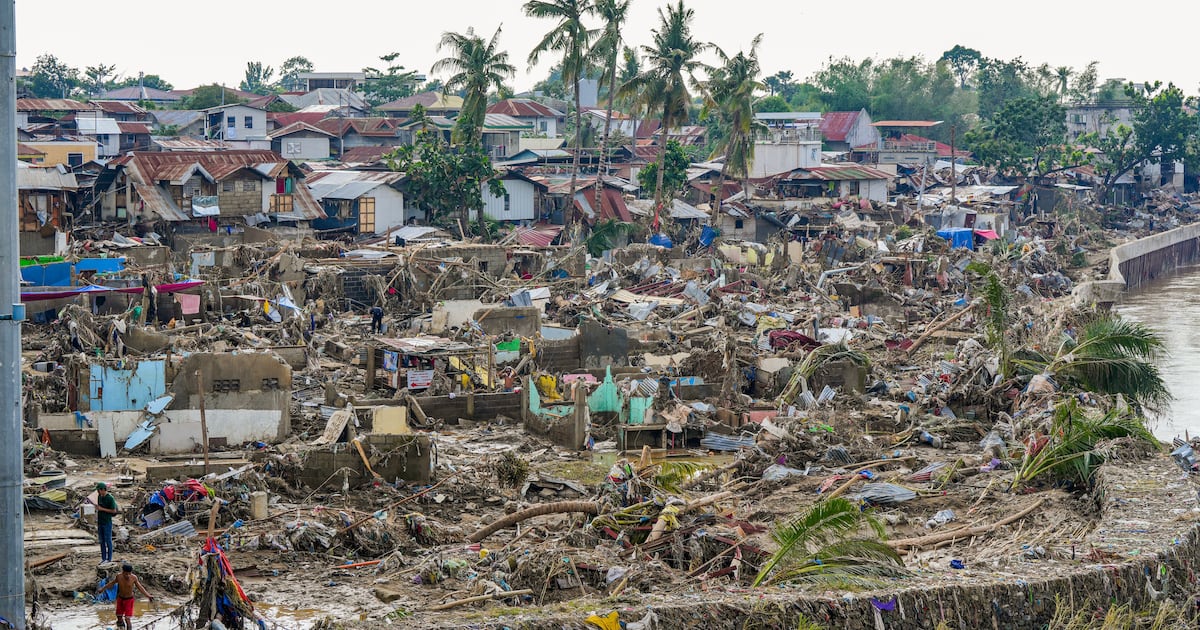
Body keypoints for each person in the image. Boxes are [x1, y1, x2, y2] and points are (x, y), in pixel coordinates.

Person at [97, 563, 153, 630]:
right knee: (119, 616)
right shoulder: (119, 577)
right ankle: (121, 626)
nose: (128, 575)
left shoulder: (134, 578)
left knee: (127, 618)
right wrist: (102, 589)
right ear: (123, 572)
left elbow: (140, 587)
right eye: (126, 574)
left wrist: (148, 595)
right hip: (120, 599)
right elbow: (111, 583)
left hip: (129, 600)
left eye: (129, 574)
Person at [88, 482, 119, 564]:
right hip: (100, 521)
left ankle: (109, 558)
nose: (98, 492)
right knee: (101, 541)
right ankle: (103, 558)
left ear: (103, 490)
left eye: (99, 490)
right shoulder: (99, 497)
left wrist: (102, 509)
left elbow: (113, 510)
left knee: (108, 540)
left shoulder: (110, 498)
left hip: (107, 521)